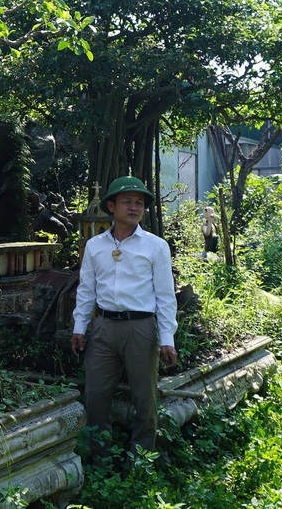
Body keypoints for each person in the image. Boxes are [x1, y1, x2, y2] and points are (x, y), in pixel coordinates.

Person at [72, 176, 177, 457]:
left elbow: (166, 296)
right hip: (103, 328)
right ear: (111, 205)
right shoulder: (95, 246)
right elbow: (87, 290)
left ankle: (141, 461)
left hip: (141, 328)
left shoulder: (155, 246)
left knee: (145, 398)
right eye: (127, 201)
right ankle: (100, 457)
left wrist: (167, 338)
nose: (134, 207)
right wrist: (79, 327)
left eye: (139, 203)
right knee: (96, 396)